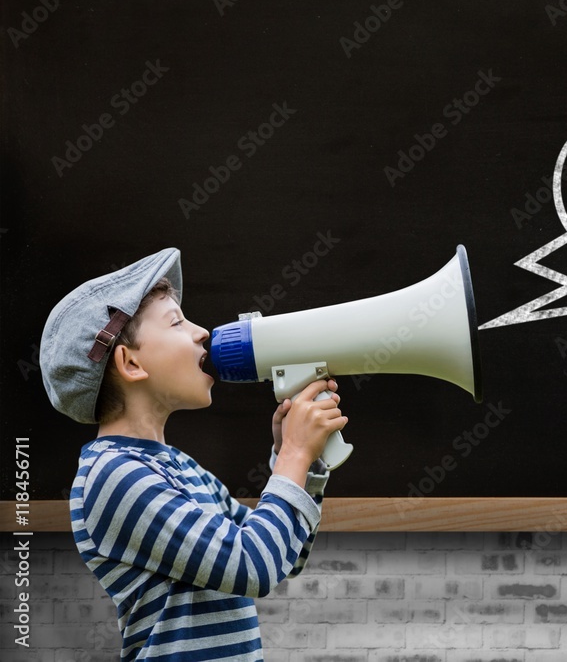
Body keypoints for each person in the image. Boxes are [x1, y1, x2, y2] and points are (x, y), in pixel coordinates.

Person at [39, 247, 347, 660]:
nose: (202, 331)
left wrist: (299, 460)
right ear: (130, 363)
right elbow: (252, 567)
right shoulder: (113, 475)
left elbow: (283, 557)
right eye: (177, 322)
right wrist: (293, 452)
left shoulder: (181, 467)